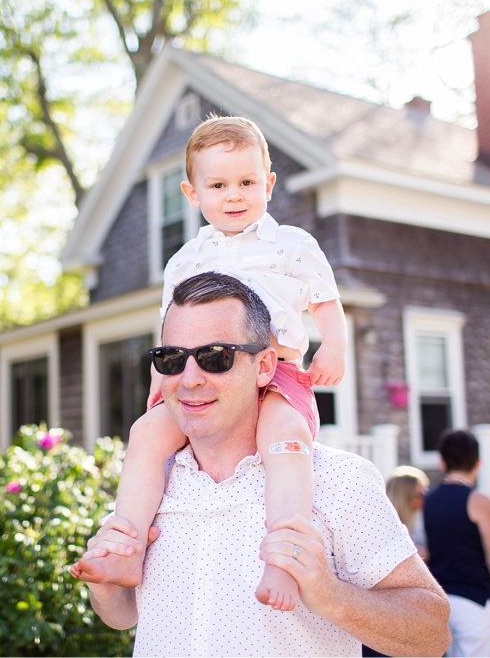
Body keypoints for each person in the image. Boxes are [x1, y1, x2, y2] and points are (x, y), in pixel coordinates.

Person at [74, 272, 450, 656]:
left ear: (266, 367)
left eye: (215, 357)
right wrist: (104, 590)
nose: (189, 379)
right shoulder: (147, 483)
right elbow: (124, 614)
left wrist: (332, 596)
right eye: (171, 358)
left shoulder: (339, 481)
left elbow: (433, 635)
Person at [71, 115, 347, 612]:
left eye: (246, 182)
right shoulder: (185, 259)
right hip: (201, 372)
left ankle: (284, 556)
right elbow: (170, 331)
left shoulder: (292, 245)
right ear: (191, 193)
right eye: (218, 184)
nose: (235, 194)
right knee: (147, 434)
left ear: (269, 183)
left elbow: (325, 302)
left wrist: (333, 346)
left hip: (276, 369)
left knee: (285, 438)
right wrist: (161, 392)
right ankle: (126, 546)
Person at [423, 429, 490, 657]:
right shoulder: (478, 500)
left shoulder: (428, 500)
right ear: (478, 463)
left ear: (442, 463)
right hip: (474, 600)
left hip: (440, 601)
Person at [386, 465, 430, 561]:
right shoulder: (390, 528)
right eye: (420, 494)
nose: (425, 498)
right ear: (404, 496)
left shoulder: (418, 518)